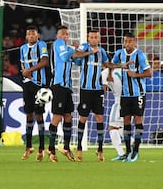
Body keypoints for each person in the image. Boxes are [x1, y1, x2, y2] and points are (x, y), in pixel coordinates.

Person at [111, 32, 152, 162]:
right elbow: (110, 65)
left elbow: (149, 73)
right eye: (125, 41)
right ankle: (128, 151)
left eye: (129, 41)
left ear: (134, 42)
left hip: (138, 93)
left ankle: (136, 151)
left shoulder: (140, 55)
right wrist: (119, 67)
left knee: (138, 120)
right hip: (125, 94)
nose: (127, 44)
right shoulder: (119, 53)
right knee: (126, 121)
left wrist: (135, 75)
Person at [74, 30, 109, 162]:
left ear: (99, 39)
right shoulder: (84, 47)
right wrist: (90, 52)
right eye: (91, 37)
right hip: (85, 90)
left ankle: (100, 150)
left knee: (100, 118)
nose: (94, 39)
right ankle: (79, 148)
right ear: (88, 38)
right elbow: (76, 55)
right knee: (83, 118)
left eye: (96, 37)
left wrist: (107, 78)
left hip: (98, 90)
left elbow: (107, 64)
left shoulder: (102, 51)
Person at [47, 26, 79, 163]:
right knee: (57, 116)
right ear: (58, 35)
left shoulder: (67, 47)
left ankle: (66, 147)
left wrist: (79, 51)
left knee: (68, 116)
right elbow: (65, 56)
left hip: (67, 86)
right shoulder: (58, 44)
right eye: (63, 34)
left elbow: (76, 61)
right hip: (58, 84)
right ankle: (51, 148)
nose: (66, 36)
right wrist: (73, 48)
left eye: (67, 34)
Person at [19, 25, 49, 162]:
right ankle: (28, 146)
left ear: (37, 36)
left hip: (38, 84)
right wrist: (26, 73)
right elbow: (22, 65)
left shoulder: (41, 45)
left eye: (33, 34)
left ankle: (41, 148)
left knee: (39, 115)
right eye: (29, 34)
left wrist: (29, 70)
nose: (31, 36)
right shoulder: (22, 48)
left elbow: (44, 62)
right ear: (26, 37)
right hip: (27, 84)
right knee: (29, 114)